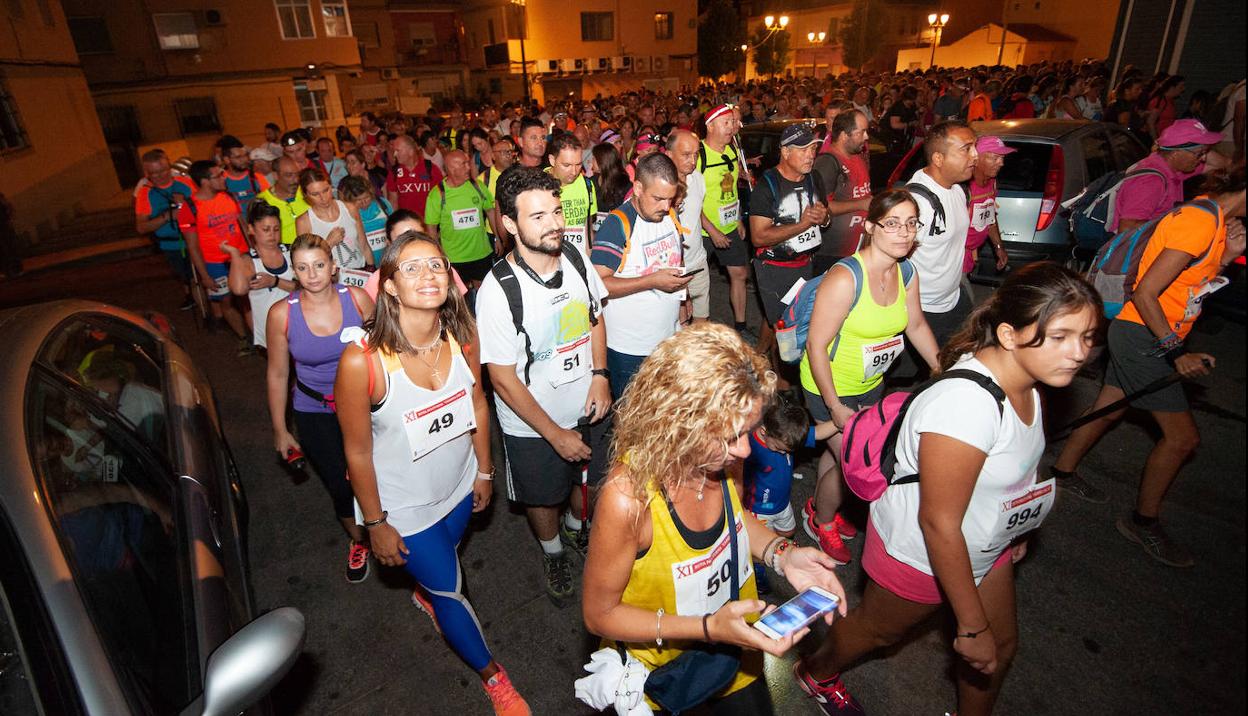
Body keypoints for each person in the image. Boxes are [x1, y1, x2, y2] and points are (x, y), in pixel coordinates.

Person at [794, 262, 1102, 716]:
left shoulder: (1030, 382)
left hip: (986, 539)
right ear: (1009, 334)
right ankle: (816, 671)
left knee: (1001, 645)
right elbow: (938, 522)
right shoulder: (965, 406)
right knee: (879, 631)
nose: (1078, 352)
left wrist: (1018, 530)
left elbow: (1012, 469)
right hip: (922, 551)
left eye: (1088, 336)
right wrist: (970, 625)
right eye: (1059, 337)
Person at [581, 323, 848, 715]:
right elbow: (598, 615)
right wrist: (707, 628)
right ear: (679, 423)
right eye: (729, 436)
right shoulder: (629, 497)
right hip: (664, 679)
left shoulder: (724, 460)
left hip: (736, 653)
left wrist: (782, 554)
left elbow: (735, 519)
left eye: (748, 432)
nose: (744, 450)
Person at [334, 232, 530, 716]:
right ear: (390, 287)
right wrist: (376, 524)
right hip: (404, 507)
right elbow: (356, 453)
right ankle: (494, 676)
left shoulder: (462, 337)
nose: (429, 275)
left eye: (437, 265)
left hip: (460, 486)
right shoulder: (362, 362)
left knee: (445, 561)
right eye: (412, 267)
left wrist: (484, 471)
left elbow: (479, 405)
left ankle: (427, 587)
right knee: (452, 588)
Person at [1050, 167, 1246, 565]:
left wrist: (1223, 259)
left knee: (1111, 408)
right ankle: (1143, 521)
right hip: (1144, 336)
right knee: (1182, 439)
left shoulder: (1215, 221)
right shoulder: (1198, 220)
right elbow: (1146, 293)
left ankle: (1063, 472)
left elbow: (1189, 285)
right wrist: (1175, 351)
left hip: (1143, 333)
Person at [476, 167, 612, 605]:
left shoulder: (575, 258)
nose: (555, 223)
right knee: (542, 497)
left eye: (556, 211)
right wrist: (554, 435)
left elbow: (594, 317)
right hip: (532, 425)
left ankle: (576, 530)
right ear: (509, 224)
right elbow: (501, 377)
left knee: (582, 478)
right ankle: (552, 550)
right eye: (538, 217)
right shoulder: (498, 291)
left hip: (585, 404)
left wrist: (600, 375)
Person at [800, 190, 941, 565]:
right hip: (827, 386)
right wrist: (834, 407)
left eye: (911, 224)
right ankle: (822, 520)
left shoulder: (906, 271)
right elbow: (816, 345)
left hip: (871, 382)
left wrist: (945, 369)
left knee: (839, 455)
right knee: (856, 464)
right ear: (871, 226)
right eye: (892, 223)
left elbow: (915, 324)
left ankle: (820, 503)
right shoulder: (846, 278)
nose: (904, 233)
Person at [265, 233, 375, 583]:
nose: (312, 274)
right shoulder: (282, 314)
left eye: (319, 265)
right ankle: (360, 541)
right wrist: (281, 430)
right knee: (341, 485)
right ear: (294, 273)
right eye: (302, 268)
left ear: (334, 267)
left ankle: (389, 526)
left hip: (365, 404)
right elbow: (278, 372)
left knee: (378, 474)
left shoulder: (357, 300)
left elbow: (385, 351)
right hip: (314, 411)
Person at [592, 153, 692, 400]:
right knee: (633, 423)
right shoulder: (617, 226)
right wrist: (651, 281)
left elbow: (676, 258)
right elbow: (598, 284)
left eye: (669, 199)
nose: (664, 206)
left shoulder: (669, 214)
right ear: (637, 188)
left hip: (669, 338)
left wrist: (683, 301)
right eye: (657, 198)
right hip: (630, 349)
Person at [733, 393, 839, 592]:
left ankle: (786, 550)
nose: (784, 454)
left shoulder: (787, 434)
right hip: (759, 509)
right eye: (780, 450)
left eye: (787, 451)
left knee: (788, 531)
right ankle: (758, 570)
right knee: (761, 544)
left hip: (783, 503)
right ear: (764, 432)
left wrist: (842, 420)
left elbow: (816, 433)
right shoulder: (751, 448)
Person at [748, 123, 829, 354]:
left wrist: (824, 218)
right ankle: (782, 380)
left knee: (780, 317)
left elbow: (825, 216)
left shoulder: (814, 178)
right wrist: (803, 224)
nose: (810, 156)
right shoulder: (768, 185)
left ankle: (758, 357)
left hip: (806, 264)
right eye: (803, 149)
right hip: (774, 268)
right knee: (786, 327)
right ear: (785, 152)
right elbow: (759, 236)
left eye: (813, 149)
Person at [906, 120, 978, 346]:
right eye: (966, 149)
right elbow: (891, 262)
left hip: (954, 300)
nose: (975, 155)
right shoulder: (916, 203)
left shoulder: (957, 189)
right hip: (924, 311)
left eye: (974, 147)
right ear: (938, 158)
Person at [177, 160, 251, 352]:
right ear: (204, 181)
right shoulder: (190, 208)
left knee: (249, 298)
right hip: (216, 264)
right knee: (226, 302)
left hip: (241, 258)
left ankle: (257, 336)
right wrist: (205, 276)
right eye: (218, 175)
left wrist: (253, 252)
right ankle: (244, 337)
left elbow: (242, 225)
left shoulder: (228, 197)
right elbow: (192, 246)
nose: (223, 178)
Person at [1111, 118, 1223, 235]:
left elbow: (1219, 164)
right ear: (1176, 153)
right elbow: (1127, 228)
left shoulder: (1173, 168)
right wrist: (1177, 223)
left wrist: (1202, 145)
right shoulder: (1150, 182)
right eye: (1199, 154)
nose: (1203, 158)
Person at [699, 104, 751, 340]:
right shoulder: (698, 154)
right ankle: (698, 328)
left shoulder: (731, 151)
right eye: (726, 123)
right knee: (696, 283)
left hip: (728, 225)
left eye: (733, 122)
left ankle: (741, 326)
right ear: (710, 126)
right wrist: (712, 231)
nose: (732, 128)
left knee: (739, 273)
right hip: (702, 232)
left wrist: (738, 218)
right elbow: (689, 201)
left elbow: (730, 191)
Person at [224, 201, 297, 350]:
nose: (272, 234)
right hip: (271, 333)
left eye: (276, 229)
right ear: (251, 229)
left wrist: (275, 281)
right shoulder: (248, 261)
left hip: (300, 327)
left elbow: (307, 288)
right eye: (266, 229)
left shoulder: (291, 252)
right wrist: (235, 255)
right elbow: (239, 289)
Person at [423, 149, 501, 288]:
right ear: (452, 169)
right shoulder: (437, 194)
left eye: (468, 163)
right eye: (464, 164)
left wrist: (498, 238)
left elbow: (490, 211)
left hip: (481, 253)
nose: (469, 167)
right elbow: (431, 229)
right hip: (453, 258)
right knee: (459, 298)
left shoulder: (477, 186)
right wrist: (437, 256)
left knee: (483, 293)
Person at [813, 110, 873, 273]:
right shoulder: (828, 163)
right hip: (832, 254)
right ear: (844, 135)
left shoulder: (857, 156)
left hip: (857, 249)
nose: (866, 137)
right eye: (861, 132)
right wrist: (861, 204)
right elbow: (821, 208)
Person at [133, 149, 196, 299]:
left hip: (197, 240)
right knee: (191, 281)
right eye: (155, 173)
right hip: (173, 246)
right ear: (147, 173)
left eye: (164, 170)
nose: (162, 175)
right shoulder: (145, 193)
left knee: (206, 280)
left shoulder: (186, 183)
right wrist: (167, 216)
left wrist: (186, 205)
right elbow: (141, 227)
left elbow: (205, 207)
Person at [666, 129, 712, 323]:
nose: (692, 160)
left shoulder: (698, 179)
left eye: (696, 154)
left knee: (702, 323)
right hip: (671, 271)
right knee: (678, 326)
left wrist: (713, 230)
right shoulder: (658, 187)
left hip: (698, 262)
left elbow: (697, 211)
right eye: (686, 155)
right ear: (669, 155)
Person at [295, 168, 370, 271]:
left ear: (331, 187)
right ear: (306, 195)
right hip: (330, 279)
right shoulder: (304, 221)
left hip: (360, 271)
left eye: (326, 190)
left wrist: (372, 269)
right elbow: (306, 261)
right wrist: (328, 243)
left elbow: (364, 245)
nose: (323, 198)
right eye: (315, 194)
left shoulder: (350, 208)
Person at [963, 136, 1014, 284]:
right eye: (995, 158)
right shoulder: (963, 188)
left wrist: (999, 247)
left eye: (1002, 158)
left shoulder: (992, 182)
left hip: (970, 256)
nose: (1002, 163)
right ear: (976, 158)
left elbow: (989, 217)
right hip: (955, 258)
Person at [545, 133, 598, 257]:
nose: (574, 172)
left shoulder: (587, 185)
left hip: (579, 259)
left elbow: (588, 228)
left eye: (578, 164)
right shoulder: (537, 187)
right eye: (567, 165)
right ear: (552, 160)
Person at [337, 175, 392, 267]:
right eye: (358, 200)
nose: (364, 202)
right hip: (364, 264)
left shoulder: (383, 204)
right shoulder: (347, 213)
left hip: (387, 260)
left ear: (371, 193)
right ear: (350, 199)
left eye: (366, 197)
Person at [255, 156, 310, 245]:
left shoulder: (307, 191)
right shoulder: (262, 202)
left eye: (297, 174)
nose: (296, 180)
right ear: (275, 176)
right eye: (289, 175)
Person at [386, 134, 443, 218]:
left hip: (429, 222)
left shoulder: (430, 168)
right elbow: (393, 202)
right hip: (407, 222)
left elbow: (441, 196)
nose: (395, 154)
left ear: (410, 151)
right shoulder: (394, 172)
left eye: (398, 150)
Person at [220, 135, 270, 214]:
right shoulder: (220, 181)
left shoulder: (256, 177)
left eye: (245, 155)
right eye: (238, 157)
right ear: (227, 160)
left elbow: (269, 201)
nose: (244, 160)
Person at [1146, 75, 1186, 140]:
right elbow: (1150, 123)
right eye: (1181, 87)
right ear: (1172, 87)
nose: (1183, 89)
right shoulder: (1160, 101)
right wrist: (1156, 142)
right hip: (1159, 140)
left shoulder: (1170, 101)